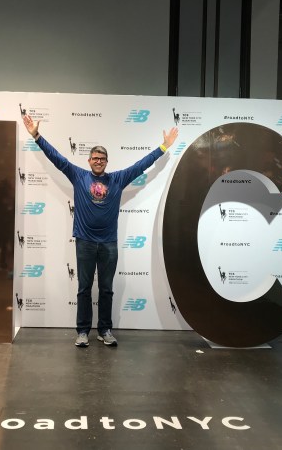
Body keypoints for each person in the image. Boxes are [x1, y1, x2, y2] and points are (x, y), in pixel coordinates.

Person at [22, 114, 178, 347]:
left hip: (108, 243)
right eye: (95, 158)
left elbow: (141, 165)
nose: (98, 161)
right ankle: (83, 331)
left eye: (102, 158)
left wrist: (163, 146)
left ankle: (105, 330)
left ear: (106, 161)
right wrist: (36, 136)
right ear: (89, 161)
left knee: (106, 289)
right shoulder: (78, 175)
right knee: (84, 289)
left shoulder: (117, 179)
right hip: (85, 241)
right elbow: (56, 158)